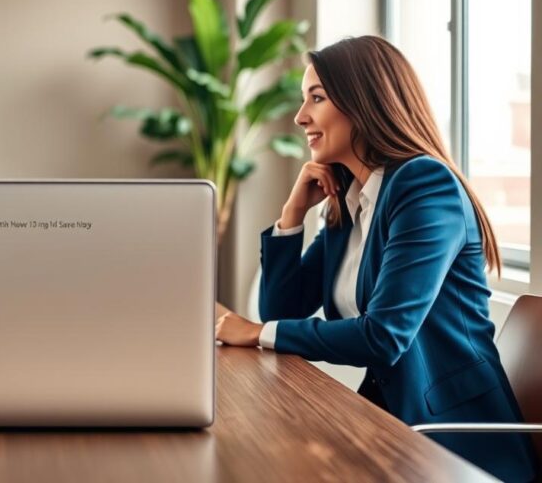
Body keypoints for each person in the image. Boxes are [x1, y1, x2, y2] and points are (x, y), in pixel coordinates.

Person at [215, 35, 537, 482]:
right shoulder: (352, 201)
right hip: (388, 427)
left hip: (453, 443)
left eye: (317, 98)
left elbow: (384, 336)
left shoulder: (424, 185)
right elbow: (280, 311)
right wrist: (292, 216)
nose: (300, 116)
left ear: (362, 102)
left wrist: (257, 334)